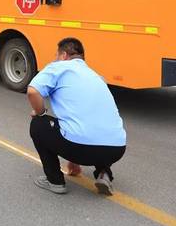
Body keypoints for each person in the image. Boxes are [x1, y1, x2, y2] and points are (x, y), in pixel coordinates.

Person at [27, 37, 126, 195]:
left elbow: (32, 91)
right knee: (93, 128)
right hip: (117, 148)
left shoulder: (59, 67)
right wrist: (74, 160)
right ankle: (104, 173)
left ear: (64, 55)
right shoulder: (97, 77)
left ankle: (55, 181)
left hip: (80, 146)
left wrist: (41, 113)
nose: (55, 59)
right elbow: (83, 117)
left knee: (38, 123)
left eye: (56, 56)